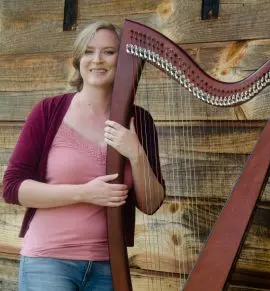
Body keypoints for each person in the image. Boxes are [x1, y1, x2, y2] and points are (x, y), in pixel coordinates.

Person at [2, 20, 165, 291]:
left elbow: (151, 204)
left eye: (109, 52)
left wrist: (136, 153)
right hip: (49, 262)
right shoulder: (48, 111)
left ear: (123, 60)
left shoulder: (140, 121)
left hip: (108, 267)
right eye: (89, 51)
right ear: (78, 59)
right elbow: (12, 188)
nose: (97, 60)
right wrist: (84, 193)